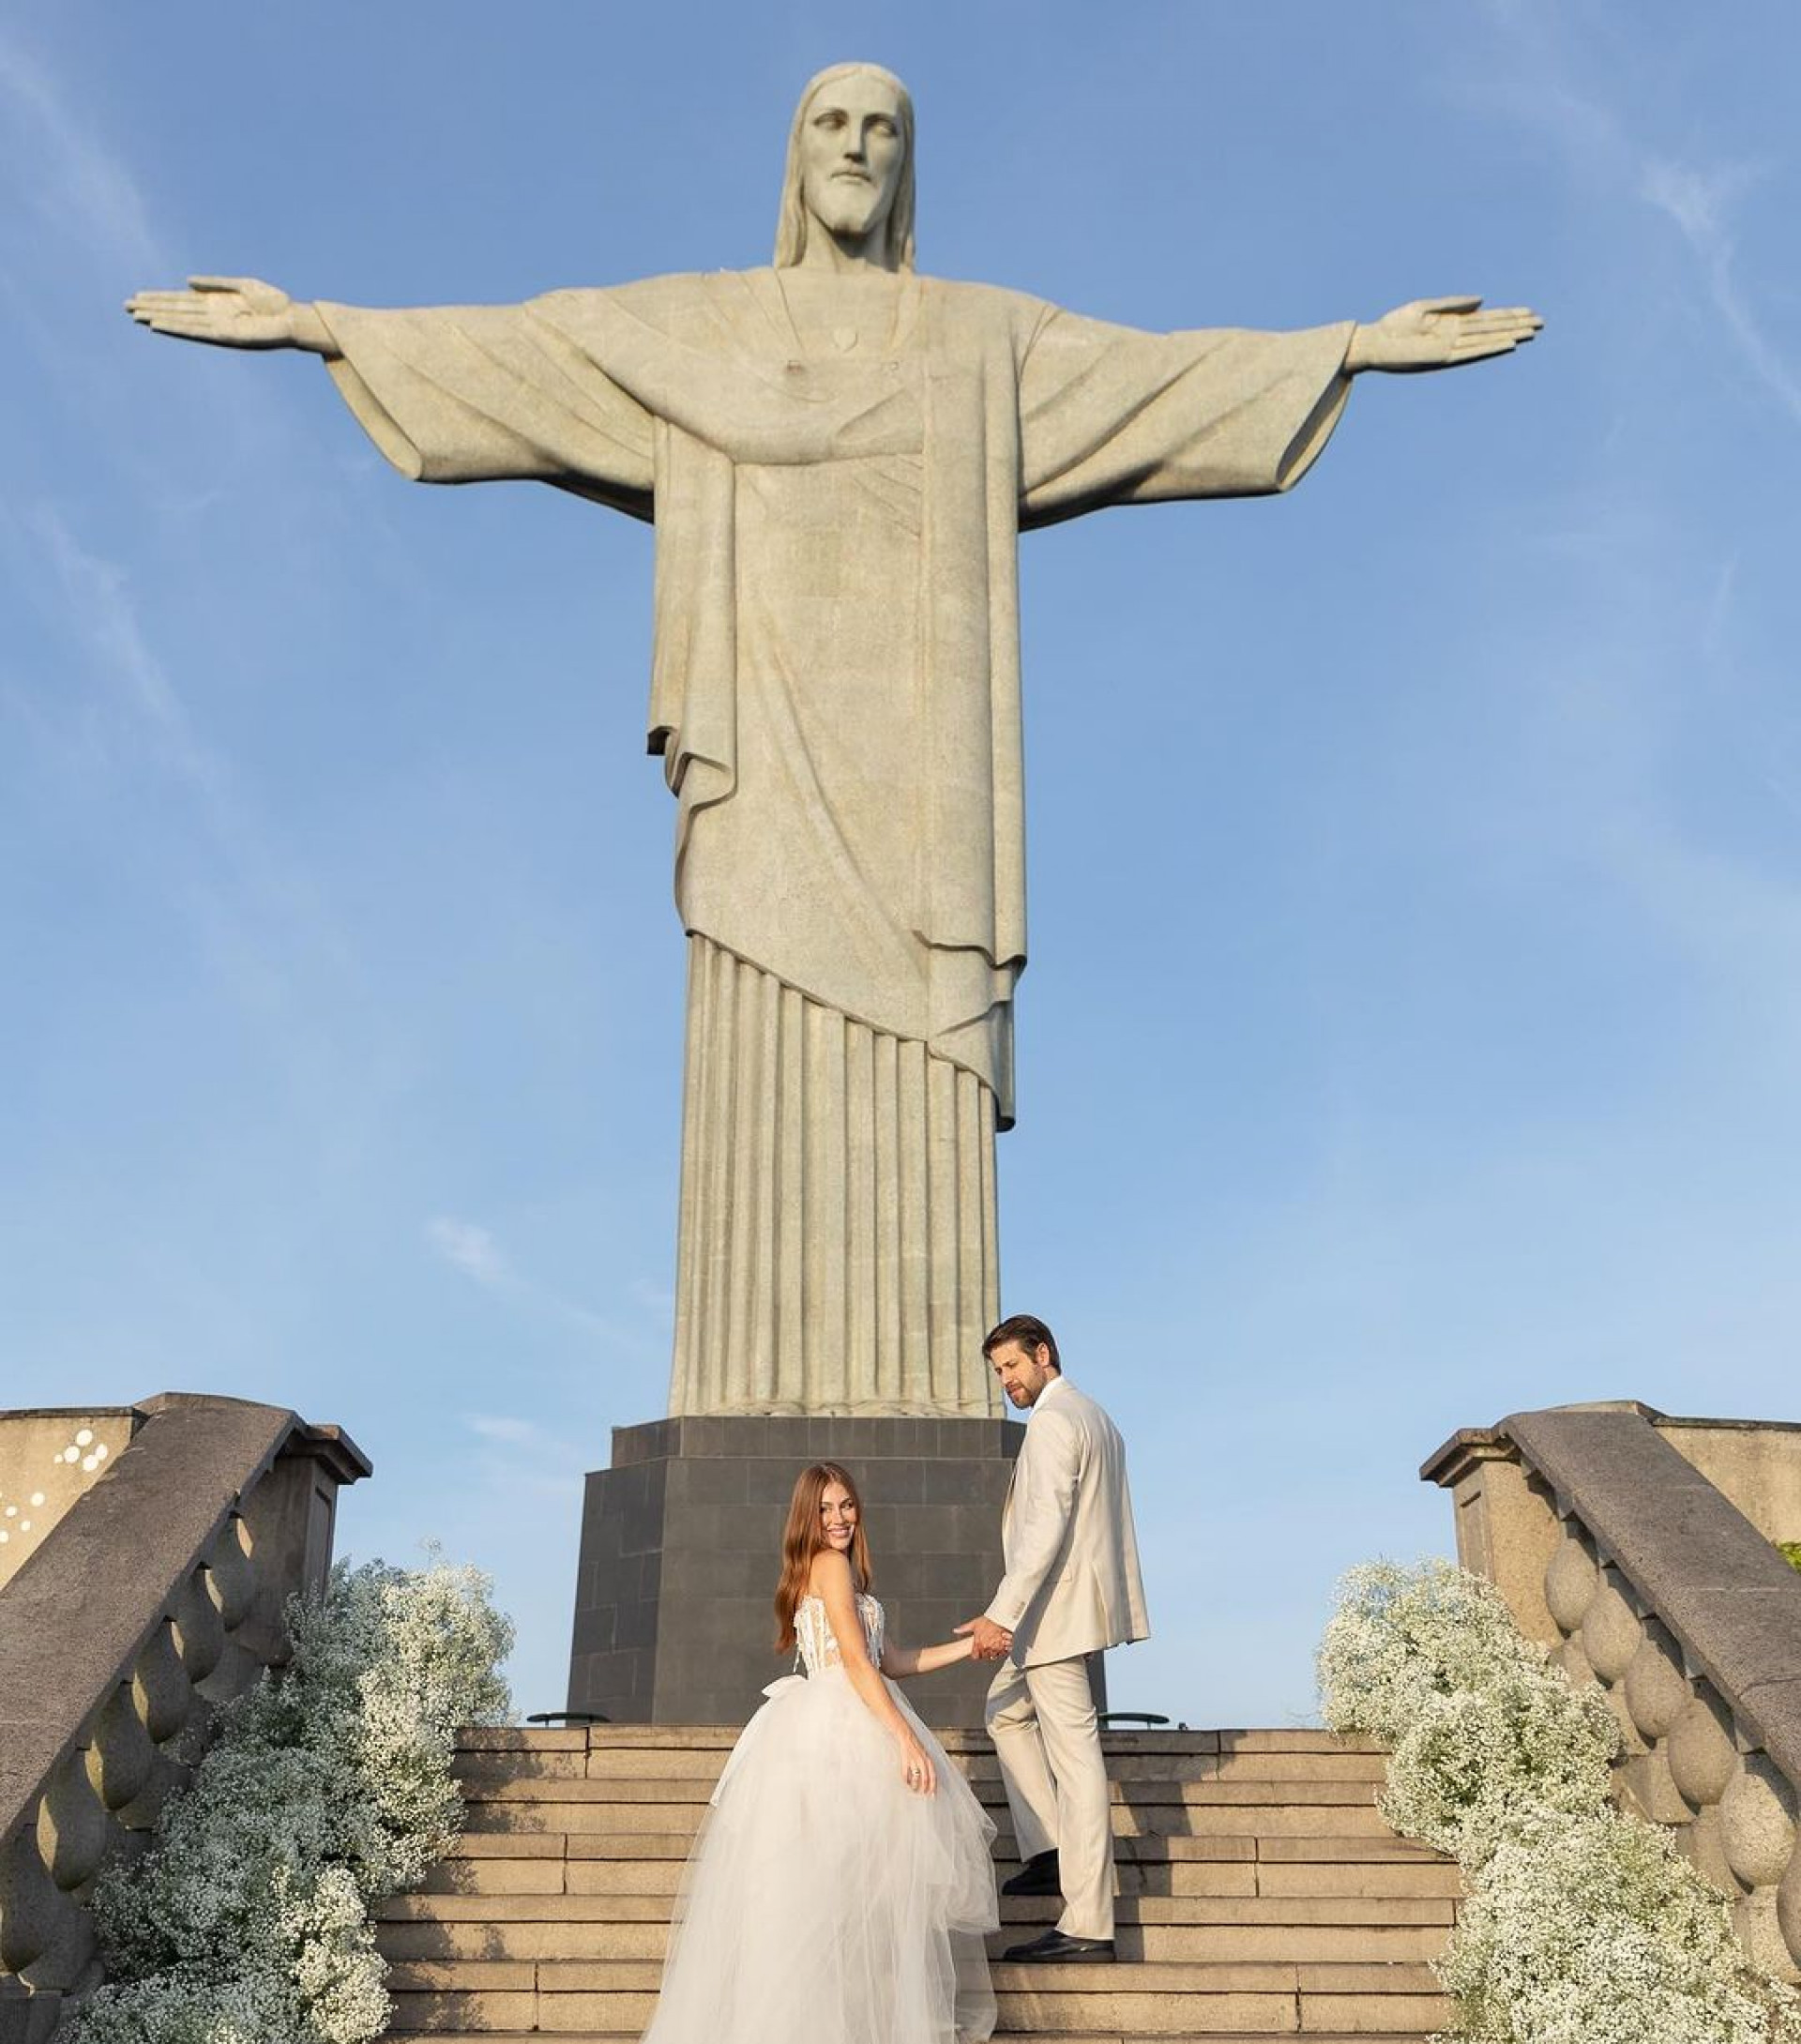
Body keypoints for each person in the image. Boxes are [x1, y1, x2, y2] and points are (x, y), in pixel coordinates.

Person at [124, 64, 1541, 1425]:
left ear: (907, 162)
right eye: (832, 124)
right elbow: (531, 347)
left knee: (923, 1033)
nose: (857, 146)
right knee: (751, 1012)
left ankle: (914, 1380)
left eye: (883, 126)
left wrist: (1344, 345)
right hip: (761, 741)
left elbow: (1157, 383)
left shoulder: (984, 341)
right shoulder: (703, 329)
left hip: (927, 771)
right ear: (796, 159)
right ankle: (746, 1382)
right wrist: (321, 323)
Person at [520, 1461, 997, 2044]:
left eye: (848, 1506)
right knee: (831, 1930)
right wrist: (907, 1738)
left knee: (828, 1934)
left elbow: (889, 1658)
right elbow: (850, 1661)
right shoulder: (830, 1564)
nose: (841, 1518)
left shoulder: (841, 1569)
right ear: (807, 1516)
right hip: (837, 1743)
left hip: (838, 1729)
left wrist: (967, 1647)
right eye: (828, 1507)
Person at [958, 1316, 1149, 1964]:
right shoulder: (1099, 1418)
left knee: (1076, 1758)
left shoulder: (1051, 1420)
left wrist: (1000, 1615)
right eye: (999, 1372)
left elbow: (1044, 1529)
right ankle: (1048, 1847)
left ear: (1044, 1353)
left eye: (1012, 1366)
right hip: (1071, 1610)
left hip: (1051, 1616)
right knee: (1004, 1710)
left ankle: (1089, 1921)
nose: (1007, 1381)